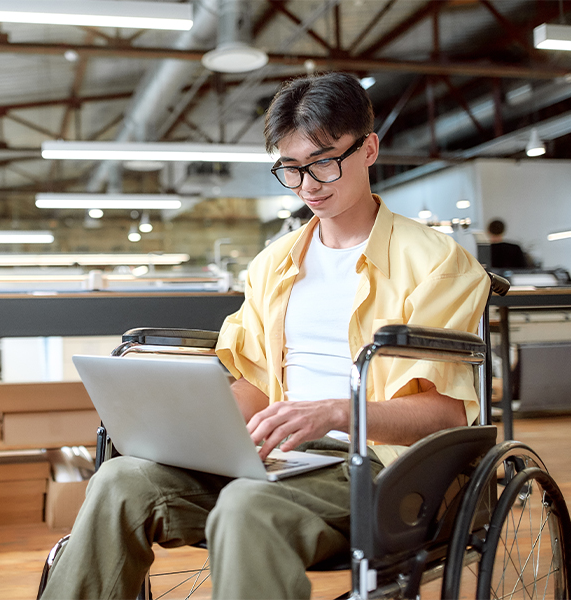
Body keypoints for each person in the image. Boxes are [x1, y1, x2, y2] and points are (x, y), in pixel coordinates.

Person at [40, 72, 490, 600]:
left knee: (245, 505)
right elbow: (255, 387)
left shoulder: (436, 263)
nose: (308, 186)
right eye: (290, 169)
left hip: (378, 469)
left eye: (323, 161)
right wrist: (186, 425)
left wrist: (334, 411)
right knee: (121, 481)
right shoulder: (274, 264)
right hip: (277, 455)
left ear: (369, 148)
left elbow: (445, 416)